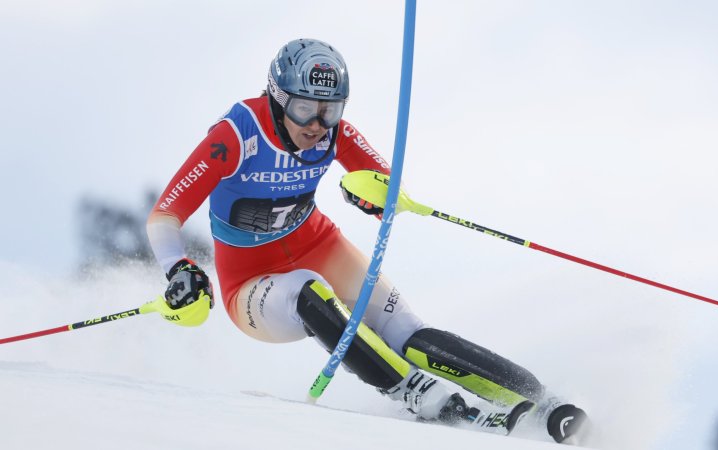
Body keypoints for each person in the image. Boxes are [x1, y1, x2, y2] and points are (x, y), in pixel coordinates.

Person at [146, 38, 587, 444]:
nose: (318, 124)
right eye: (304, 108)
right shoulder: (235, 135)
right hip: (250, 285)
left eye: (330, 110)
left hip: (319, 245)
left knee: (406, 333)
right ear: (277, 98)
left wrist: (378, 196)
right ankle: (423, 398)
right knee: (306, 289)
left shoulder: (335, 132)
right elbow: (164, 215)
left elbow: (386, 184)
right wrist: (178, 268)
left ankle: (543, 401)